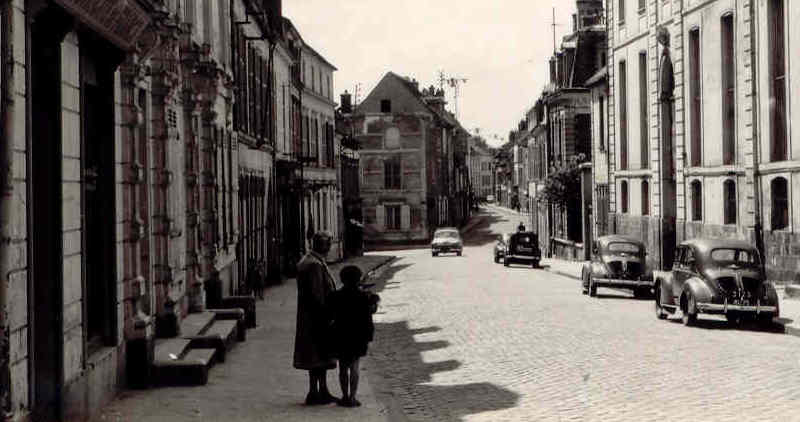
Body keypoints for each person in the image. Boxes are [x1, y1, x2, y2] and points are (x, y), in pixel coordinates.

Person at [293, 232, 338, 405]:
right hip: (317, 318)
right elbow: (318, 294)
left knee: (317, 356)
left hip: (309, 317)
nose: (328, 248)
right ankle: (315, 392)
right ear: (322, 246)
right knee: (318, 355)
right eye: (328, 244)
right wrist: (329, 315)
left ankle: (321, 390)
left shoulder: (311, 260)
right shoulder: (314, 265)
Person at [329, 265, 380, 407]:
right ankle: (352, 397)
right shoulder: (364, 296)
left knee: (343, 367)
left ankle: (344, 396)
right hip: (359, 335)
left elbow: (330, 314)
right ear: (358, 279)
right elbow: (370, 314)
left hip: (341, 334)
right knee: (355, 367)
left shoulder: (335, 296)